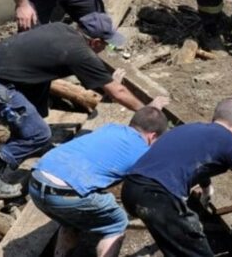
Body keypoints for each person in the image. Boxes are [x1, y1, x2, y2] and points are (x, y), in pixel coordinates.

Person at [0, 12, 165, 199]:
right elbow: (118, 92)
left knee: (34, 115)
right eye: (107, 45)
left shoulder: (62, 29)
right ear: (95, 42)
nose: (106, 49)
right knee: (38, 133)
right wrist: (148, 110)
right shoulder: (79, 52)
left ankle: (27, 143)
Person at [122, 98, 232, 257]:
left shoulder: (189, 128)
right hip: (158, 196)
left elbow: (193, 162)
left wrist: (206, 189)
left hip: (130, 189)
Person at [29, 107, 169, 257]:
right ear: (152, 136)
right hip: (66, 193)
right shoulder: (144, 152)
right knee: (117, 224)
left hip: (36, 182)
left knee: (69, 221)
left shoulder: (110, 128)